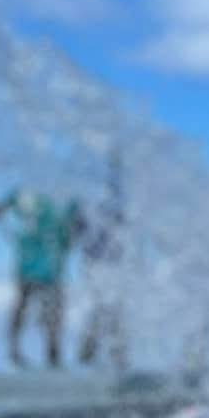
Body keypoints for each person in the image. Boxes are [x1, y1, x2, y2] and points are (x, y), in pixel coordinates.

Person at [0, 186, 82, 368]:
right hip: (31, 264)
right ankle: (16, 350)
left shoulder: (71, 201)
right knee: (26, 305)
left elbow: (74, 233)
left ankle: (52, 353)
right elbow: (14, 199)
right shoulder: (39, 198)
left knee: (52, 310)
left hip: (52, 267)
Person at [76, 151, 128, 372]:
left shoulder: (118, 196)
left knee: (110, 308)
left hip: (109, 263)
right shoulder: (96, 197)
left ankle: (104, 354)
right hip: (98, 263)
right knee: (106, 308)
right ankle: (100, 354)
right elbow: (79, 226)